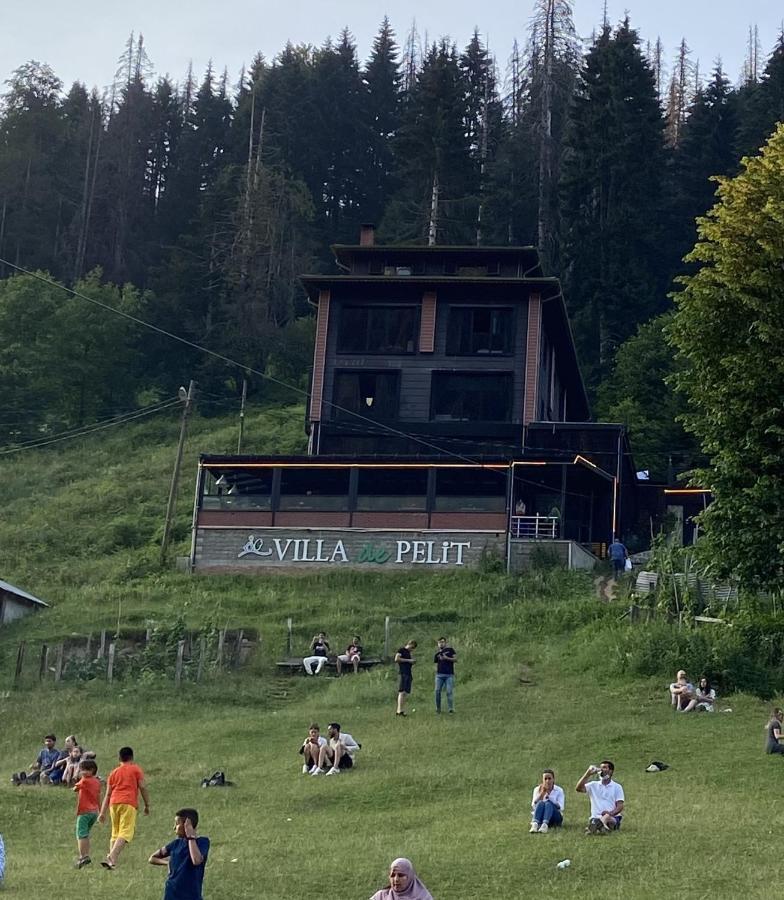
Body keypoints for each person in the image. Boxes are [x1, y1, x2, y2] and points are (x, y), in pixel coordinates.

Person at [98, 746, 150, 869]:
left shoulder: (113, 773)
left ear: (119, 759)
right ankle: (111, 856)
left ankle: (112, 863)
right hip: (128, 803)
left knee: (115, 833)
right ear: (132, 757)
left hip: (113, 804)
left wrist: (102, 812)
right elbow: (142, 787)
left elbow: (108, 794)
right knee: (126, 832)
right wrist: (147, 804)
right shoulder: (135, 769)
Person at [149, 807, 209, 900]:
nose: (174, 827)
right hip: (171, 893)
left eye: (177, 824)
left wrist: (190, 837)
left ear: (186, 825)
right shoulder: (175, 844)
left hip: (191, 895)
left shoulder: (202, 842)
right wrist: (167, 863)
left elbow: (196, 860)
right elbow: (152, 858)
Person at [576, 760, 625, 834]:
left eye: (605, 767)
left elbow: (620, 806)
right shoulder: (593, 785)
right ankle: (600, 827)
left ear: (611, 771)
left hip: (612, 818)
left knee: (607, 817)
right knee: (597, 820)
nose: (601, 769)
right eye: (601, 767)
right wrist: (587, 774)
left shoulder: (617, 787)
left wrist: (610, 813)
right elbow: (579, 788)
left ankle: (595, 827)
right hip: (595, 817)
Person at [73, 758, 101, 869]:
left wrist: (77, 782)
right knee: (86, 834)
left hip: (84, 811)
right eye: (82, 770)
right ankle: (85, 854)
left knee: (81, 834)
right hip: (94, 812)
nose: (83, 772)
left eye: (86, 770)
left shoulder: (84, 780)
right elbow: (98, 796)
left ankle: (83, 856)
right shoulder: (97, 782)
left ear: (92, 770)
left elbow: (75, 788)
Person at [369, 858, 433, 900]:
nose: (396, 879)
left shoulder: (423, 898)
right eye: (393, 875)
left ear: (410, 877)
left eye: (401, 875)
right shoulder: (380, 897)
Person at [529, 769, 565, 833]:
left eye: (549, 778)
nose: (547, 781)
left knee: (548, 803)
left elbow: (561, 807)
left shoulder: (559, 790)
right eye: (545, 779)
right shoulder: (537, 789)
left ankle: (545, 825)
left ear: (553, 779)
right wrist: (542, 794)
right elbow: (534, 805)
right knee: (541, 803)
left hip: (555, 817)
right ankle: (535, 824)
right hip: (541, 816)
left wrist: (549, 797)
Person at [433, 637, 457, 714]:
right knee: (437, 691)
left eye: (442, 642)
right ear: (438, 644)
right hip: (439, 675)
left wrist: (447, 658)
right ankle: (438, 709)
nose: (441, 643)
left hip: (449, 675)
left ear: (445, 643)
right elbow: (436, 663)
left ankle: (450, 709)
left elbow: (455, 659)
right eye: (439, 642)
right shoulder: (437, 654)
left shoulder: (450, 650)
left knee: (449, 691)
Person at [395, 640, 417, 716]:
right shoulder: (401, 650)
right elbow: (397, 659)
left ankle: (402, 710)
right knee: (402, 692)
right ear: (409, 644)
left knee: (405, 693)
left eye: (413, 648)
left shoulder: (408, 653)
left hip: (408, 673)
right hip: (403, 673)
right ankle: (399, 710)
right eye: (412, 647)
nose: (412, 649)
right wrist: (409, 660)